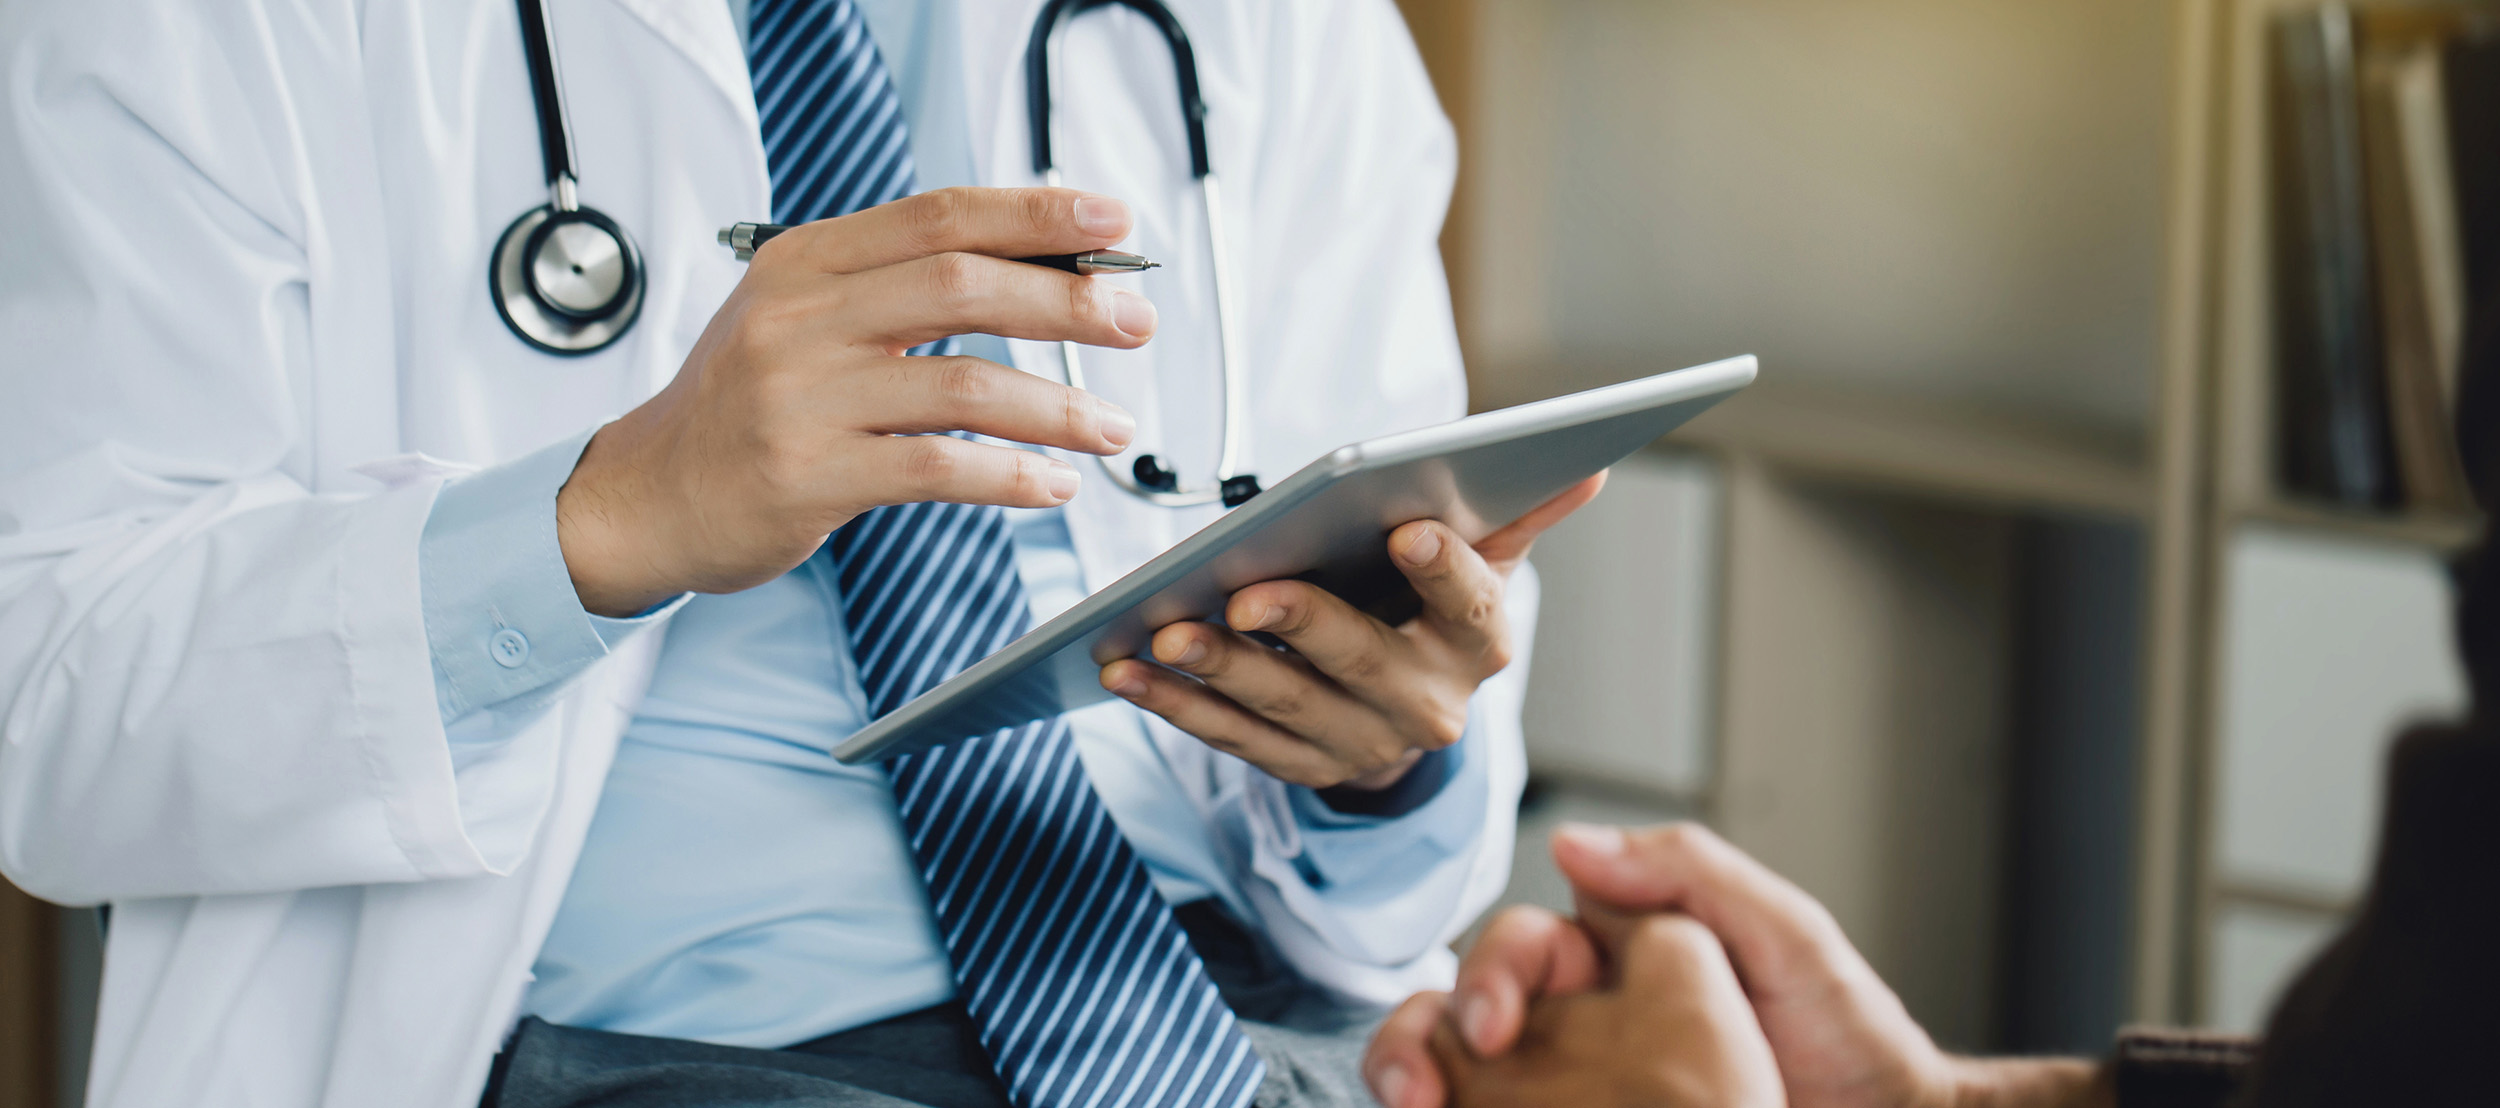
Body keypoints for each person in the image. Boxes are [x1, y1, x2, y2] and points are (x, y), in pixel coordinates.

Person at [0, 1, 1583, 1105]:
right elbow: (46, 703)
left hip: (1250, 1030)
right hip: (658, 1052)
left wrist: (1385, 767)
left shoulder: (1281, 25)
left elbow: (1404, 851)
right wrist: (613, 518)